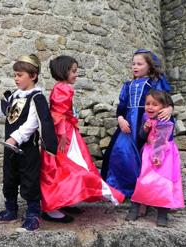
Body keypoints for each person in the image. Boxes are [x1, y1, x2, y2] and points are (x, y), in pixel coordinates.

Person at [0, 54, 58, 232]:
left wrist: (16, 138)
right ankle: (11, 210)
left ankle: (33, 215)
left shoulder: (37, 98)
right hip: (10, 148)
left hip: (27, 150)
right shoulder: (14, 97)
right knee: (10, 178)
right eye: (15, 75)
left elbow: (33, 123)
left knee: (29, 181)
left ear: (33, 76)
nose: (16, 78)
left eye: (20, 75)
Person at [40, 55, 125, 223]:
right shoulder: (63, 89)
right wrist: (63, 134)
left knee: (67, 167)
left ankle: (64, 199)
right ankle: (52, 207)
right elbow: (57, 114)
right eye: (73, 71)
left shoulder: (62, 88)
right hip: (63, 134)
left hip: (66, 131)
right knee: (66, 167)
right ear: (63, 71)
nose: (76, 75)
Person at [101, 49, 173, 198]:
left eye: (139, 64)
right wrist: (120, 119)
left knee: (145, 155)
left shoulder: (154, 83)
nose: (135, 67)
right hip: (128, 124)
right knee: (121, 152)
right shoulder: (128, 85)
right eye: (133, 64)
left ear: (149, 66)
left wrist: (170, 108)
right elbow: (121, 107)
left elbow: (164, 100)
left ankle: (144, 192)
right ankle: (122, 189)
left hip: (146, 122)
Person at [128, 89, 184, 226]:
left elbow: (164, 138)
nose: (150, 107)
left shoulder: (166, 119)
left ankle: (162, 214)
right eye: (147, 104)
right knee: (143, 181)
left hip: (165, 155)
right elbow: (141, 136)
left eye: (155, 104)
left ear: (164, 107)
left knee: (164, 183)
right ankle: (134, 209)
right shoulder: (145, 117)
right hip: (148, 152)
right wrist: (145, 129)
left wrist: (158, 155)